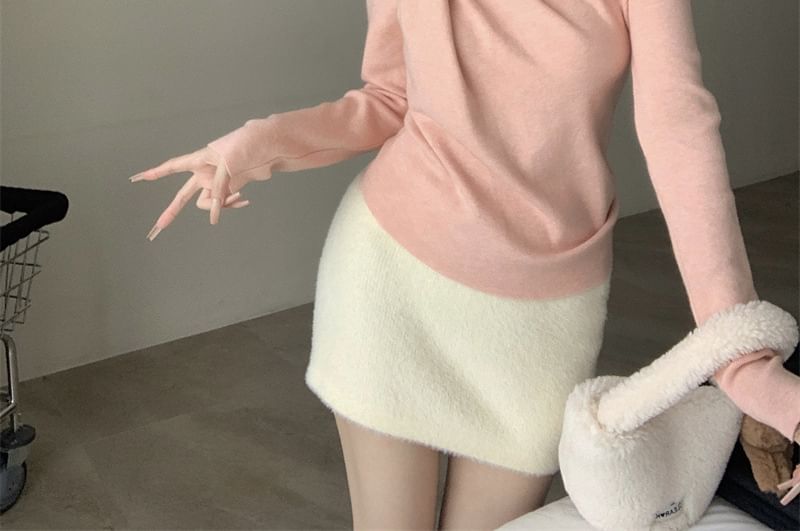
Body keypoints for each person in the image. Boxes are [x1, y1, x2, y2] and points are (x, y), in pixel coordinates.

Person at [128, 0, 800, 528]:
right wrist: (260, 144)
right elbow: (388, 98)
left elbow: (679, 131)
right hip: (391, 278)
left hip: (545, 314)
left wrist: (740, 357)